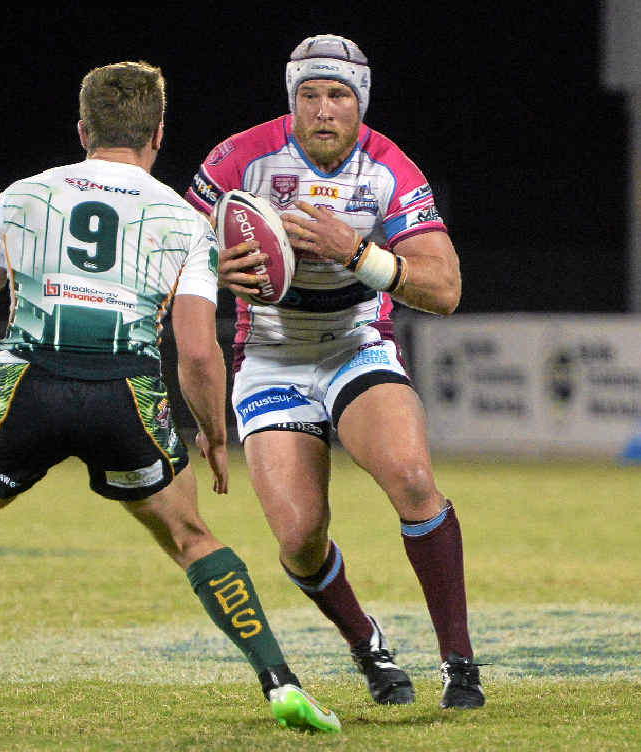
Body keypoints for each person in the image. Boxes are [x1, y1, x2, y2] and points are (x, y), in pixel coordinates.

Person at [0, 61, 340, 737]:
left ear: (83, 128)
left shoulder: (20, 198)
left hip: (26, 390)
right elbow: (199, 352)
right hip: (126, 396)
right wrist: (212, 434)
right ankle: (281, 684)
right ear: (156, 135)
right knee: (189, 536)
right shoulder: (183, 220)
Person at [185, 35, 484, 709]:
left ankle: (458, 662)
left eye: (339, 95)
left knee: (411, 480)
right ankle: (366, 644)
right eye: (309, 94)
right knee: (298, 537)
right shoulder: (238, 158)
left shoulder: (388, 168)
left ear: (361, 104)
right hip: (269, 355)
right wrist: (211, 268)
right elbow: (172, 254)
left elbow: (443, 289)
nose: (323, 109)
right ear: (291, 101)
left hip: (354, 341)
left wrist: (357, 252)